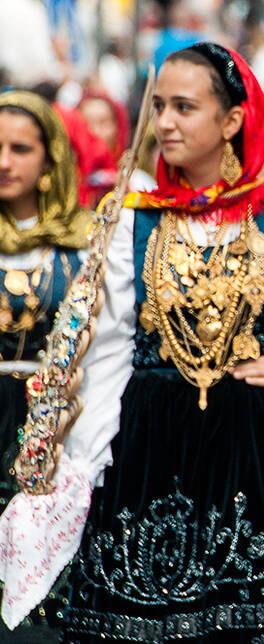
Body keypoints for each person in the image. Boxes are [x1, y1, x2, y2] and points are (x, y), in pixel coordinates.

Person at [0, 42, 264, 642]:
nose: (166, 122)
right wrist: (83, 468)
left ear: (231, 121)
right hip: (146, 446)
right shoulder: (132, 220)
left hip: (250, 446)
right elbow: (111, 354)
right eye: (159, 106)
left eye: (185, 107)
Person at [0, 89, 89, 643]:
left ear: (50, 158)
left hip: (50, 432)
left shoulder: (82, 246)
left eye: (20, 148)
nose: (4, 162)